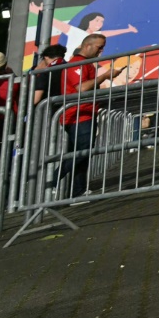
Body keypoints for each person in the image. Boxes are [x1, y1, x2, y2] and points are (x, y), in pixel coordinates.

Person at [59, 35, 117, 199]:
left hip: (84, 113)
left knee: (82, 154)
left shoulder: (83, 64)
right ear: (88, 46)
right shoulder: (77, 64)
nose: (102, 51)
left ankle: (78, 191)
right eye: (100, 47)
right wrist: (104, 76)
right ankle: (52, 181)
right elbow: (81, 88)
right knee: (81, 152)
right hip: (78, 115)